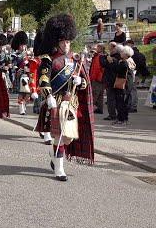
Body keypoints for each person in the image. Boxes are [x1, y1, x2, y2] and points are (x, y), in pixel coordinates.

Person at [34, 14, 95, 181]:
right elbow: (43, 80)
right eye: (63, 42)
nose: (66, 45)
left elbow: (85, 85)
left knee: (67, 138)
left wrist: (80, 80)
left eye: (68, 42)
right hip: (56, 102)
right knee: (59, 136)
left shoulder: (75, 60)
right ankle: (59, 169)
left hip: (71, 103)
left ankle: (53, 154)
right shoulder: (48, 60)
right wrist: (48, 97)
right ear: (57, 43)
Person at [11, 30, 36, 115]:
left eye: (24, 45)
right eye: (22, 45)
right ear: (18, 45)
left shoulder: (29, 54)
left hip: (29, 75)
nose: (23, 47)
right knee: (21, 93)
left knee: (28, 92)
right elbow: (14, 65)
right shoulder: (15, 54)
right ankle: (21, 107)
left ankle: (24, 104)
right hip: (20, 75)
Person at [112, 44, 133, 126]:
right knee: (122, 102)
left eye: (122, 52)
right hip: (128, 84)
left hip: (123, 84)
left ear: (125, 54)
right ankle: (121, 118)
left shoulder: (124, 62)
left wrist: (112, 62)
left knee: (121, 102)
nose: (120, 53)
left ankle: (123, 119)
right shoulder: (130, 60)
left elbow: (117, 70)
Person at [101, 42, 120, 121]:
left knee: (111, 98)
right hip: (115, 80)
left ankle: (112, 115)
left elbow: (104, 64)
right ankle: (117, 114)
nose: (109, 50)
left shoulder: (114, 58)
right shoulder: (119, 57)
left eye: (110, 48)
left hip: (111, 80)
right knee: (116, 98)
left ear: (114, 48)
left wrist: (104, 58)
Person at [89, 43, 106, 114]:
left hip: (98, 78)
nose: (95, 50)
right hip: (99, 78)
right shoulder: (100, 56)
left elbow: (100, 68)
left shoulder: (100, 56)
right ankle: (99, 108)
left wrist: (95, 77)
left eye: (96, 48)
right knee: (99, 95)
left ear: (100, 48)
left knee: (95, 94)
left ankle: (90, 109)